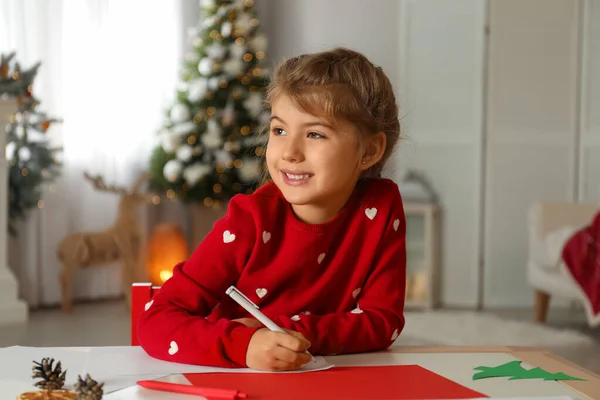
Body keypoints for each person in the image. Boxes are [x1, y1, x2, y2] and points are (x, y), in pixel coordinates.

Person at [137, 47, 407, 372]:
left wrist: (284, 333)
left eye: (315, 134)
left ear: (370, 150)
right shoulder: (249, 220)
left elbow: (383, 322)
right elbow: (155, 321)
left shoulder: (380, 208)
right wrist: (245, 345)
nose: (289, 152)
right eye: (279, 130)